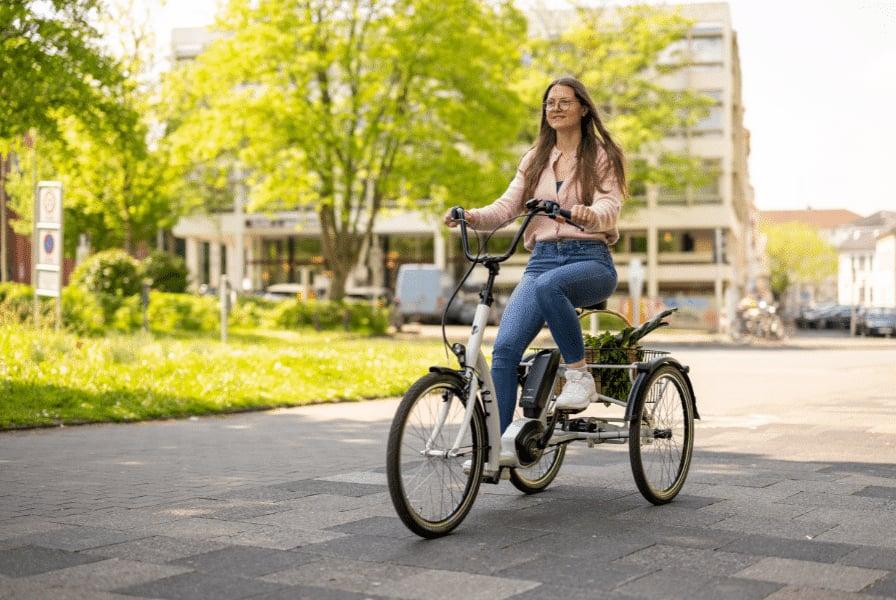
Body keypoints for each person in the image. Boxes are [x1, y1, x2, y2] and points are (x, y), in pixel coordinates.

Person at [444, 76, 626, 434]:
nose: (555, 108)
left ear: (584, 109)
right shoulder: (535, 158)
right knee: (505, 349)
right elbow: (507, 207)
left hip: (590, 259)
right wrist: (471, 216)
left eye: (564, 102)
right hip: (542, 259)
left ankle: (578, 376)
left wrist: (590, 213)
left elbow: (611, 203)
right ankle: (495, 447)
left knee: (548, 287)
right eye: (550, 103)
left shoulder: (601, 156)